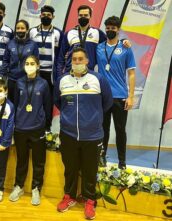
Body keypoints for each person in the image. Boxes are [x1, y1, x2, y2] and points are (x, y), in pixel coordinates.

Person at [54, 47, 112, 220]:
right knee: (70, 168)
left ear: (87, 61)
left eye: (81, 59)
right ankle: (69, 196)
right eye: (74, 59)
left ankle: (89, 200)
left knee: (90, 169)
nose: (77, 62)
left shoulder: (98, 79)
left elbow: (107, 103)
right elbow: (58, 102)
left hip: (92, 135)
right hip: (68, 133)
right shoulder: (62, 80)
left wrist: (92, 119)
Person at [9, 55, 51, 206]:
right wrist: (13, 124)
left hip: (37, 128)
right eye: (27, 63)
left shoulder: (44, 84)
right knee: (22, 160)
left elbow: (48, 105)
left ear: (38, 66)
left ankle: (36, 188)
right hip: (20, 128)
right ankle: (19, 186)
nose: (29, 66)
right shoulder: (19, 83)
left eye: (32, 63)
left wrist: (47, 126)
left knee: (39, 162)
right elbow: (15, 104)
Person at [96, 16, 136, 169]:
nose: (110, 30)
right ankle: (102, 158)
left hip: (120, 97)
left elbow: (131, 73)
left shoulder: (126, 47)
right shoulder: (99, 47)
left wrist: (131, 97)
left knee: (120, 131)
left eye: (113, 28)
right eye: (108, 28)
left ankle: (122, 162)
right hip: (103, 97)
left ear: (118, 29)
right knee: (103, 129)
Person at [57, 5, 130, 75]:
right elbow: (60, 57)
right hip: (70, 72)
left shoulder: (97, 32)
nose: (83, 17)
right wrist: (59, 75)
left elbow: (111, 42)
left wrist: (123, 41)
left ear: (90, 16)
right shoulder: (69, 33)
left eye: (85, 15)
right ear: (78, 16)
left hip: (89, 73)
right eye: (80, 15)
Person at [29, 5, 64, 116]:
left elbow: (60, 54)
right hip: (36, 72)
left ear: (53, 17)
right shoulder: (32, 32)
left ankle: (47, 127)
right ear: (40, 16)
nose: (46, 17)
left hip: (50, 73)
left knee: (48, 101)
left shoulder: (58, 33)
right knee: (34, 98)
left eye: (48, 15)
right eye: (43, 15)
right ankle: (34, 123)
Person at [0, 19, 39, 102]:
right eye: (18, 28)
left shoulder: (33, 45)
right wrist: (1, 76)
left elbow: (36, 63)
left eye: (22, 28)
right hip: (12, 80)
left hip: (27, 80)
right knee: (11, 103)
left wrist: (35, 79)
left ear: (27, 30)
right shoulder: (10, 43)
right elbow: (6, 61)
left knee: (24, 103)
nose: (20, 30)